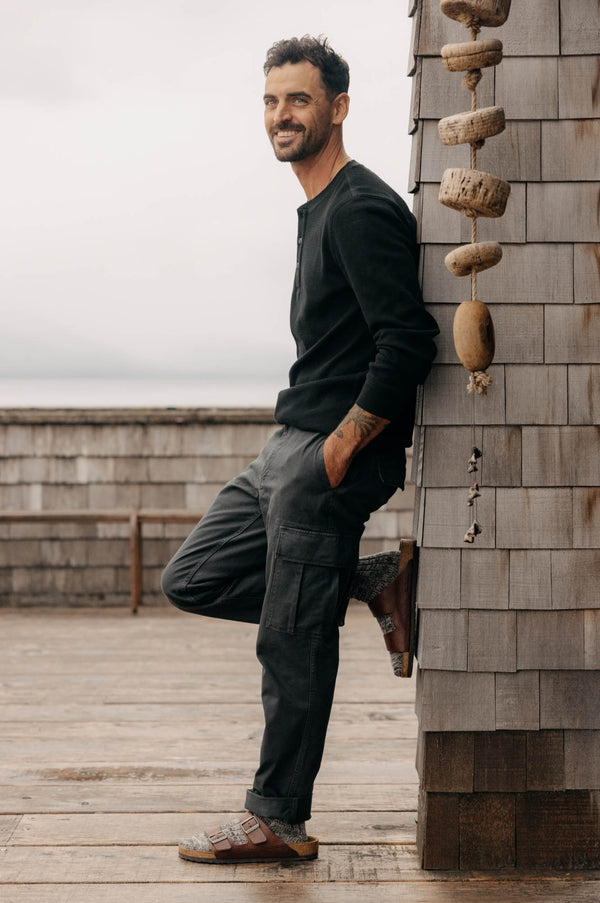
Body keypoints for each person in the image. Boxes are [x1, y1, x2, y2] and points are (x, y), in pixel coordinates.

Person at [161, 34, 439, 864]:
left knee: (290, 636)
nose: (282, 115)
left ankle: (277, 819)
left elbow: (407, 341)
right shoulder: (319, 206)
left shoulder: (358, 209)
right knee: (193, 575)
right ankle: (369, 580)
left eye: (299, 99)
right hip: (288, 444)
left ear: (338, 107)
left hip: (330, 454)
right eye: (272, 101)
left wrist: (341, 449)